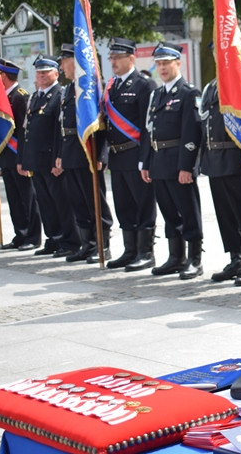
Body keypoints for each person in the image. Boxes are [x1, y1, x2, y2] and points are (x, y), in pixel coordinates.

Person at [140, 42, 204, 279]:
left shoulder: (189, 93)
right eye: (159, 63)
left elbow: (192, 132)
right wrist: (145, 162)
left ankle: (195, 259)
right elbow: (149, 130)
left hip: (178, 161)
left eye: (167, 62)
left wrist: (186, 166)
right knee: (169, 213)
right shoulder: (157, 94)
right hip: (159, 161)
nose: (163, 67)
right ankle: (176, 257)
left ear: (178, 63)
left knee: (188, 212)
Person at [101, 37, 158, 270]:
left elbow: (147, 127)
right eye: (111, 58)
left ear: (131, 58)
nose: (113, 62)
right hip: (117, 155)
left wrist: (145, 159)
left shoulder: (144, 85)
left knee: (143, 204)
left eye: (117, 57)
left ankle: (146, 252)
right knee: (123, 204)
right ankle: (130, 249)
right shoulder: (111, 86)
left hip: (135, 154)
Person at [201, 77, 241, 286]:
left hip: (236, 158)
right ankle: (235, 258)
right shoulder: (211, 86)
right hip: (214, 158)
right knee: (224, 214)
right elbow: (205, 121)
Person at [55, 44, 114, 262]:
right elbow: (61, 125)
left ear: (76, 62)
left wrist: (101, 155)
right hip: (70, 150)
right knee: (77, 200)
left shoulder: (90, 88)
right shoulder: (69, 89)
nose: (61, 66)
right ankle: (87, 244)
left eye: (65, 61)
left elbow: (101, 125)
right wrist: (60, 153)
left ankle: (103, 244)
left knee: (94, 199)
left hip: (88, 152)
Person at [18, 54, 80, 257]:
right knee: (44, 202)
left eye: (46, 72)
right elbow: (26, 131)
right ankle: (53, 238)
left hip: (52, 160)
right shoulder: (35, 96)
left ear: (56, 73)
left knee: (61, 203)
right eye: (39, 72)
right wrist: (22, 159)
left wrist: (58, 158)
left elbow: (59, 131)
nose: (42, 75)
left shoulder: (59, 95)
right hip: (36, 159)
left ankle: (69, 241)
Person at [0, 57, 41, 251]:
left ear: (3, 76)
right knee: (14, 198)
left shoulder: (20, 96)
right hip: (7, 156)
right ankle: (20, 233)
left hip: (18, 155)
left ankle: (32, 236)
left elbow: (24, 132)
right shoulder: (2, 98)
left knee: (27, 197)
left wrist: (23, 159)